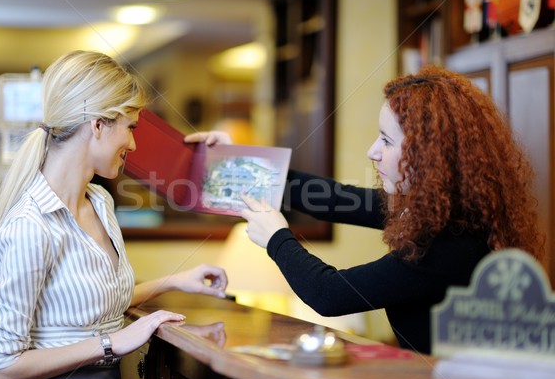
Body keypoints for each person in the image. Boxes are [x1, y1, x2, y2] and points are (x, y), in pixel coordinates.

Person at [185, 65, 544, 355]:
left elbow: (331, 294)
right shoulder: (437, 210)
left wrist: (277, 238)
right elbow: (334, 197)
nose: (373, 151)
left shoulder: (450, 240)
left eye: (387, 141)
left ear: (428, 156)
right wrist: (238, 161)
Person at [0, 50, 228, 379]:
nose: (134, 143)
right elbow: (2, 368)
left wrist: (176, 281)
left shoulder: (100, 202)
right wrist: (113, 342)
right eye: (130, 127)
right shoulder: (30, 225)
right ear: (97, 124)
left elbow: (95, 307)